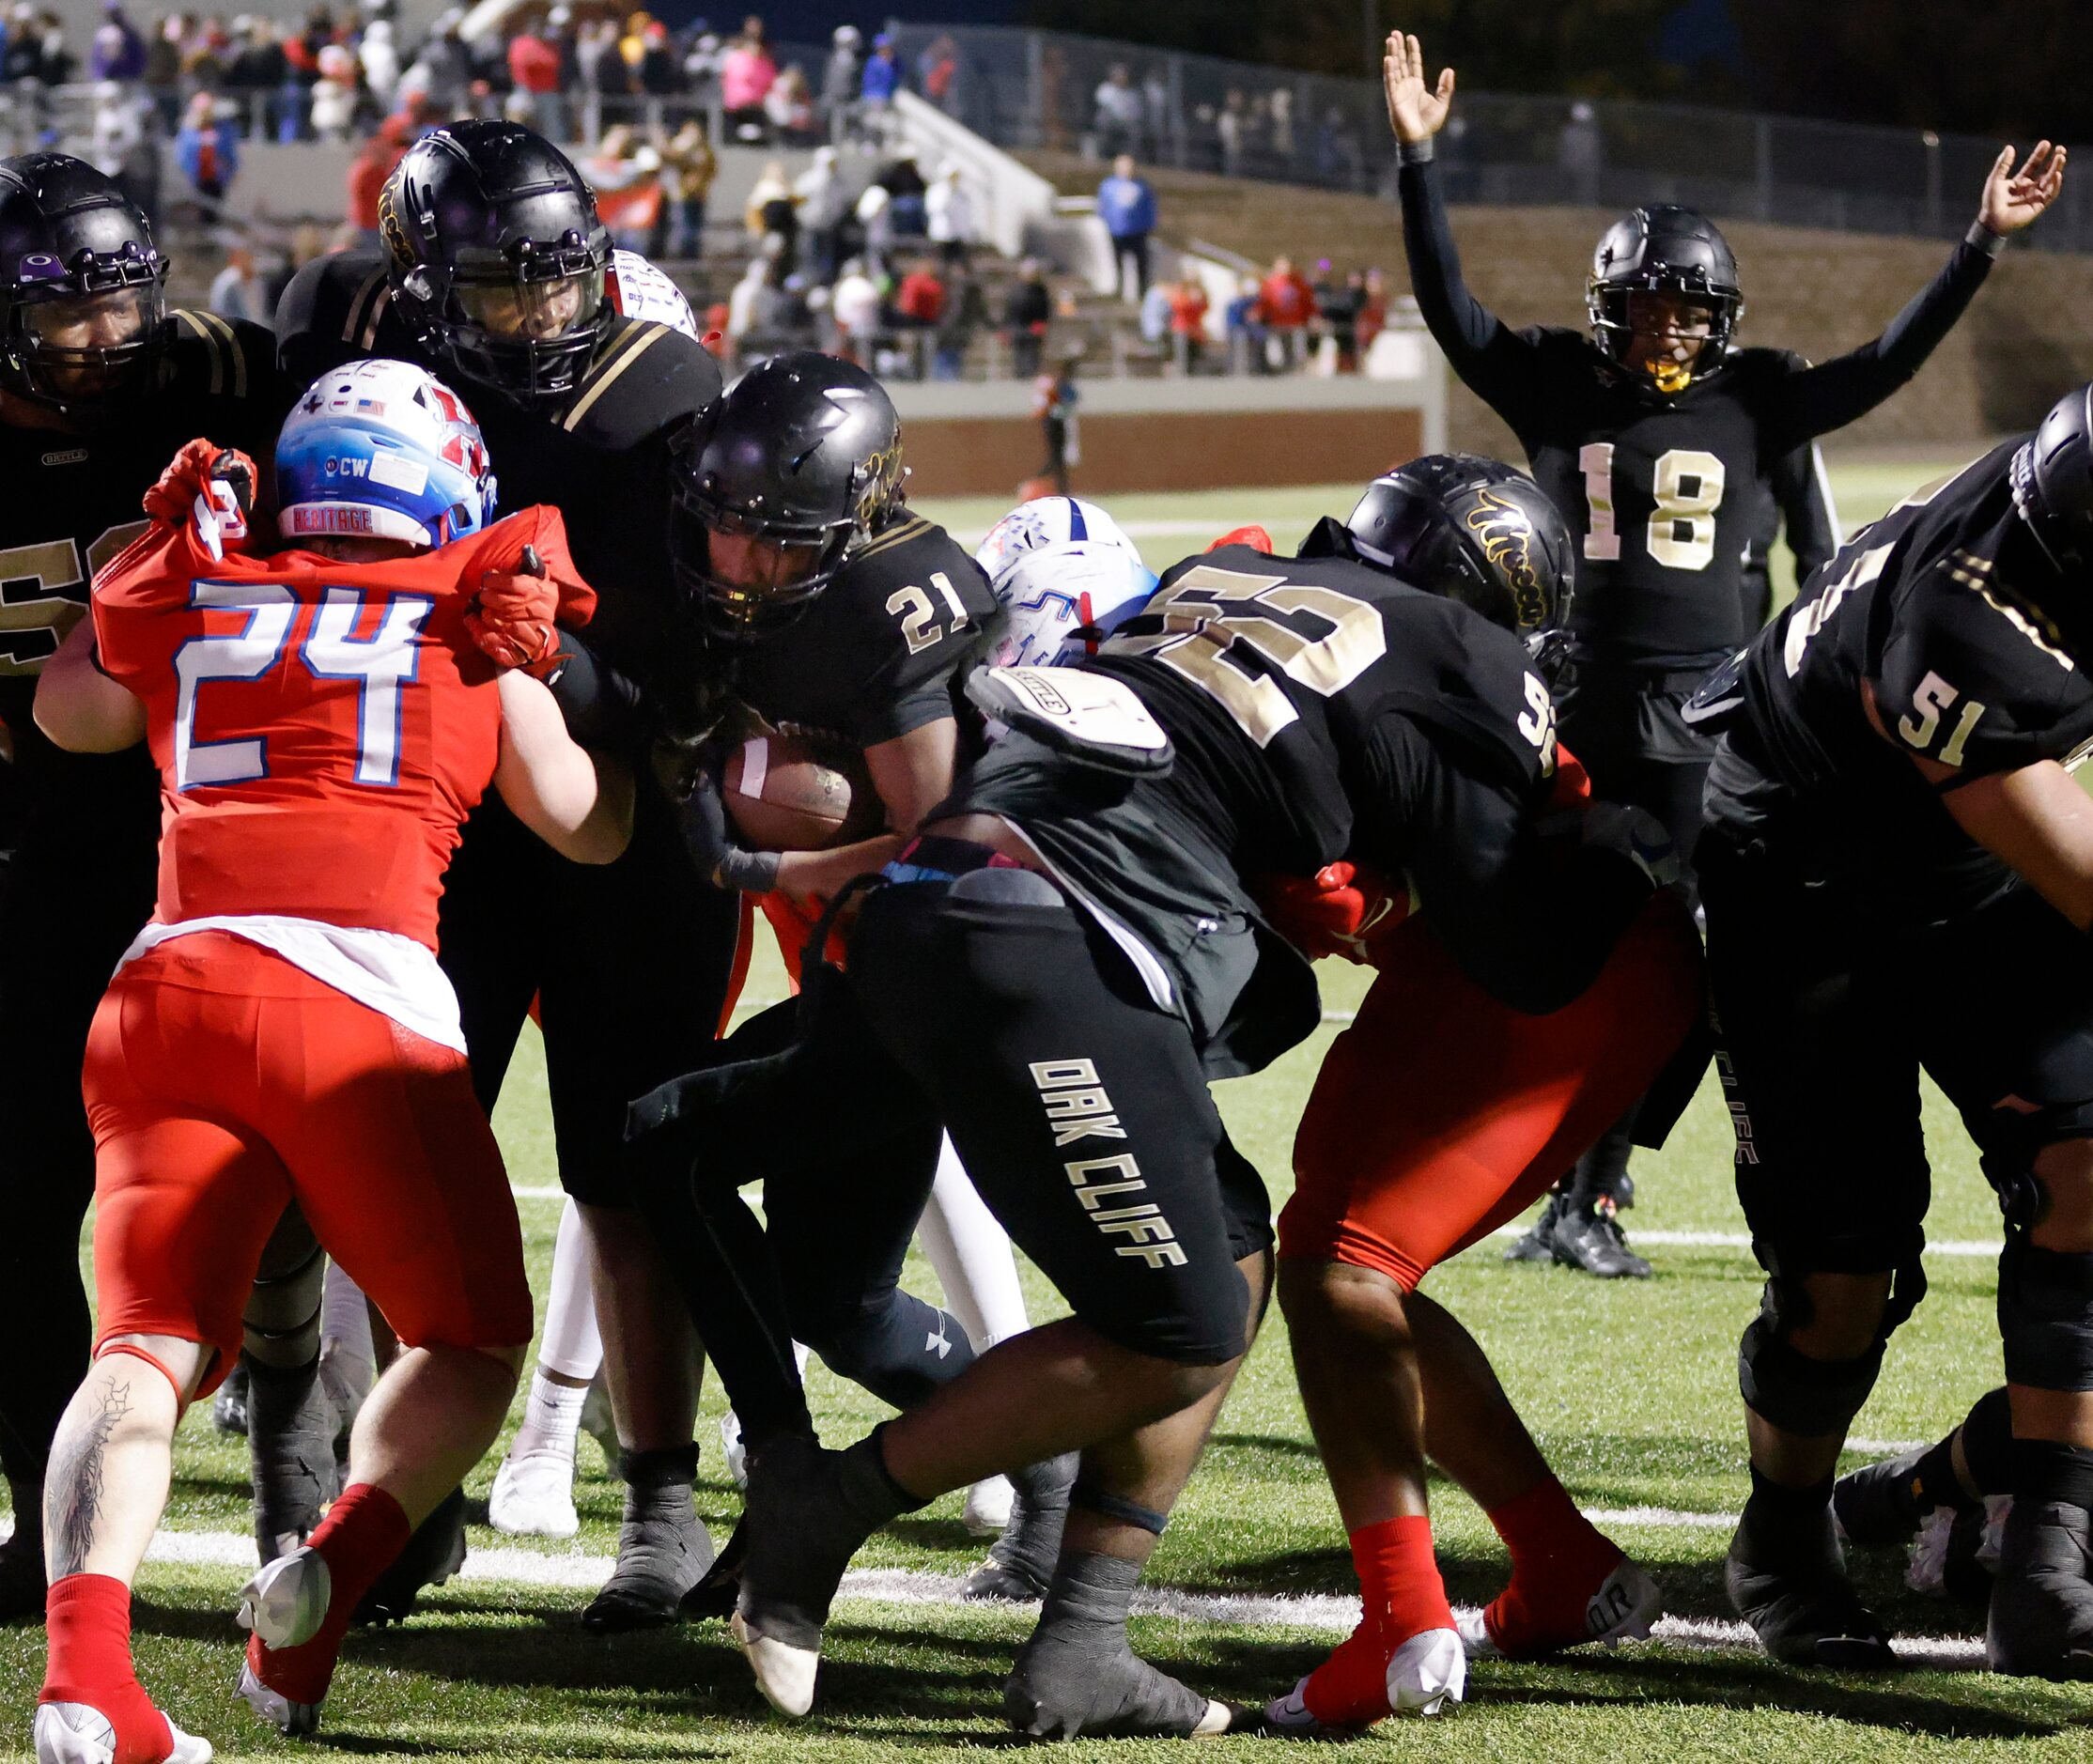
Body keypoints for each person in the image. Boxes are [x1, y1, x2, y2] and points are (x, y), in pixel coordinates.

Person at [705, 440, 1684, 1732]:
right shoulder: (1463, 653)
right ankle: (822, 1509)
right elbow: (1520, 949)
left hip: (929, 900)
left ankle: (1077, 1643)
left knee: (1233, 1254)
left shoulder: (1221, 571)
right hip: (1061, 929)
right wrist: (1621, 844)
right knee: (1189, 1319)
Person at [1384, 26, 2065, 1274]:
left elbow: (1882, 366)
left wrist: (1978, 245)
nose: (1662, 331)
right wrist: (1419, 165)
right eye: (1642, 306)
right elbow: (1452, 309)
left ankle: (1593, 1190)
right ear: (1605, 307)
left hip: (1709, 715)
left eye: (1683, 310)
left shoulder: (1759, 395)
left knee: (1702, 964)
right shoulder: (1553, 382)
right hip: (1572, 701)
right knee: (1544, 937)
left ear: (1718, 318)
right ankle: (1515, 1168)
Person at [28, 358, 631, 1761]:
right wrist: (559, 684)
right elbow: (588, 826)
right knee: (472, 1341)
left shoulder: (198, 586)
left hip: (169, 990)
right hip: (358, 1008)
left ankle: (89, 1679)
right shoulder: (473, 611)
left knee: (142, 1348)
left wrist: (154, 559)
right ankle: (333, 1572)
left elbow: (73, 714)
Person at [274, 119, 733, 1632]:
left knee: (633, 1164)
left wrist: (572, 666)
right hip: (440, 822)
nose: (542, 314)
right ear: (418, 278)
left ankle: (660, 1495)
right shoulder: (345, 320)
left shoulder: (663, 391)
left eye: (560, 280)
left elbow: (689, 669)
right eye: (503, 289)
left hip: (623, 813)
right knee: (406, 1154)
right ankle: (400, 1488)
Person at [1250, 463, 1700, 1731]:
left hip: (1562, 970)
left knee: (1343, 1261)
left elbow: (1474, 897)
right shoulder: (1431, 657)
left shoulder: (1441, 683)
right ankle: (1558, 1562)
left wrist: (1368, 892)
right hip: (1553, 959)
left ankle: (1405, 1615)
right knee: (1339, 1257)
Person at [1691, 386, 2093, 1678]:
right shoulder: (1972, 620)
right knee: (1841, 1278)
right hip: (1800, 876)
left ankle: (2046, 1559)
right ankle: (1782, 1530)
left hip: (1952, 839)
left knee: (2087, 1158)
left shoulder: (2058, 509)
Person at [0, 152, 279, 1625]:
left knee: (274, 1170)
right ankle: (50, 1509)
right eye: (66, 316)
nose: (110, 341)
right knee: (17, 1190)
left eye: (125, 306)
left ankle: (322, 1493)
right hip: (30, 835)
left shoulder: (229, 374)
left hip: (217, 828)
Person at [1095, 154, 1155, 301]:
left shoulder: (1142, 186)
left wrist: (1149, 224)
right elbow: (1102, 206)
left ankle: (1142, 290)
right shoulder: (1108, 185)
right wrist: (1107, 221)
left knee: (1141, 262)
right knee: (1118, 260)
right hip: (1116, 230)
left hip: (1138, 230)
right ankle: (1119, 288)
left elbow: (1150, 207)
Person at [1002, 257, 1050, 379]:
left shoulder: (1040, 291)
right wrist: (1006, 329)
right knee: (1019, 362)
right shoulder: (1015, 290)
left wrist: (1042, 324)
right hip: (1017, 329)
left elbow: (1045, 310)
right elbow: (1009, 311)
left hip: (1033, 330)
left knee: (1031, 362)